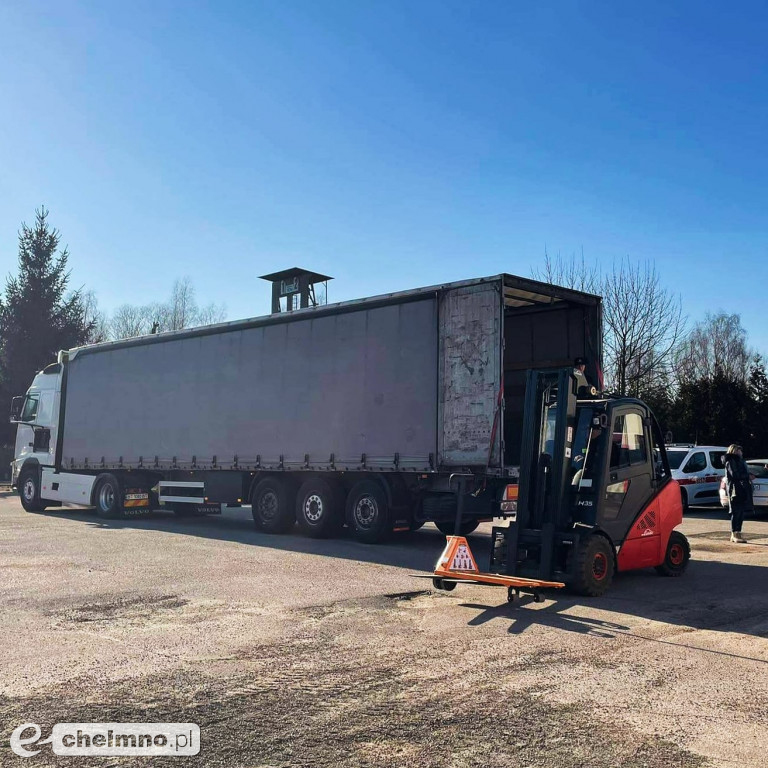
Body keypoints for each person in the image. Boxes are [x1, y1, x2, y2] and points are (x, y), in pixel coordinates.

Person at [723, 444, 753, 543]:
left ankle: (738, 533)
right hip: (734, 489)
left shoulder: (740, 461)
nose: (741, 453)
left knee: (741, 512)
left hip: (742, 488)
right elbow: (735, 475)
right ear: (734, 451)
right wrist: (747, 476)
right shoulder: (730, 461)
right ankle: (734, 533)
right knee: (736, 512)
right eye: (739, 451)